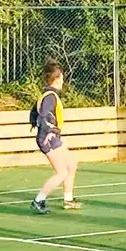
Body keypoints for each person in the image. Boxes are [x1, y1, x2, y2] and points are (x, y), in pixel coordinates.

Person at [30, 62, 79, 213]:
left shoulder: (49, 95)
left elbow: (34, 113)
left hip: (53, 136)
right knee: (61, 172)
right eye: (62, 78)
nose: (63, 81)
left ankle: (68, 199)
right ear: (56, 79)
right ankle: (38, 201)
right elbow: (44, 116)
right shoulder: (50, 97)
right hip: (48, 138)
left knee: (71, 164)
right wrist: (50, 131)